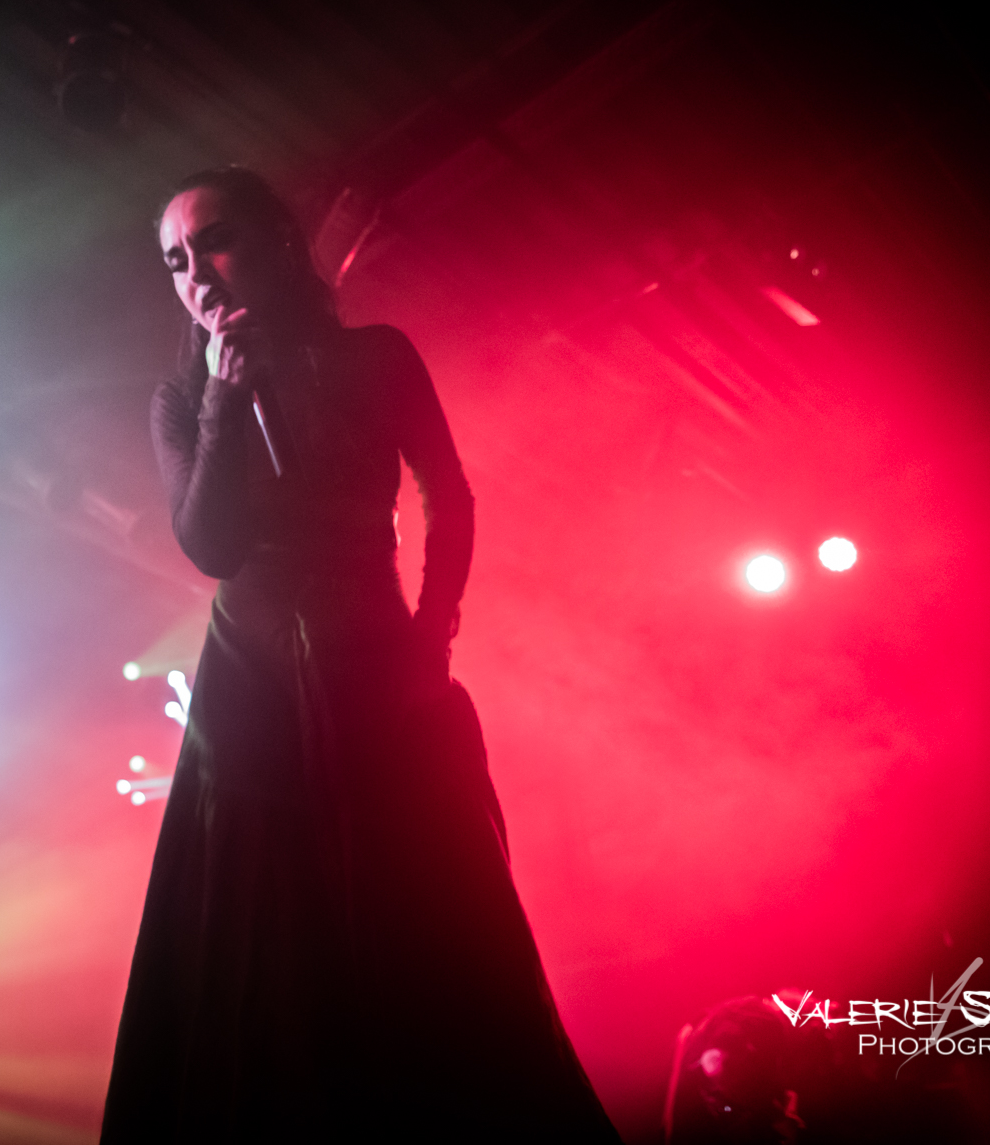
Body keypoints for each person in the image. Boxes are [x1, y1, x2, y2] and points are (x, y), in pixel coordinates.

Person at [101, 167, 621, 1141]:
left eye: (213, 242)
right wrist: (224, 400)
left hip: (378, 660)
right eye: (174, 261)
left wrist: (432, 632)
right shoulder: (181, 398)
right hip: (249, 683)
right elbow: (210, 545)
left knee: (420, 910)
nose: (195, 274)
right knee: (266, 930)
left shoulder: (375, 355)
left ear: (275, 240)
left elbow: (447, 494)